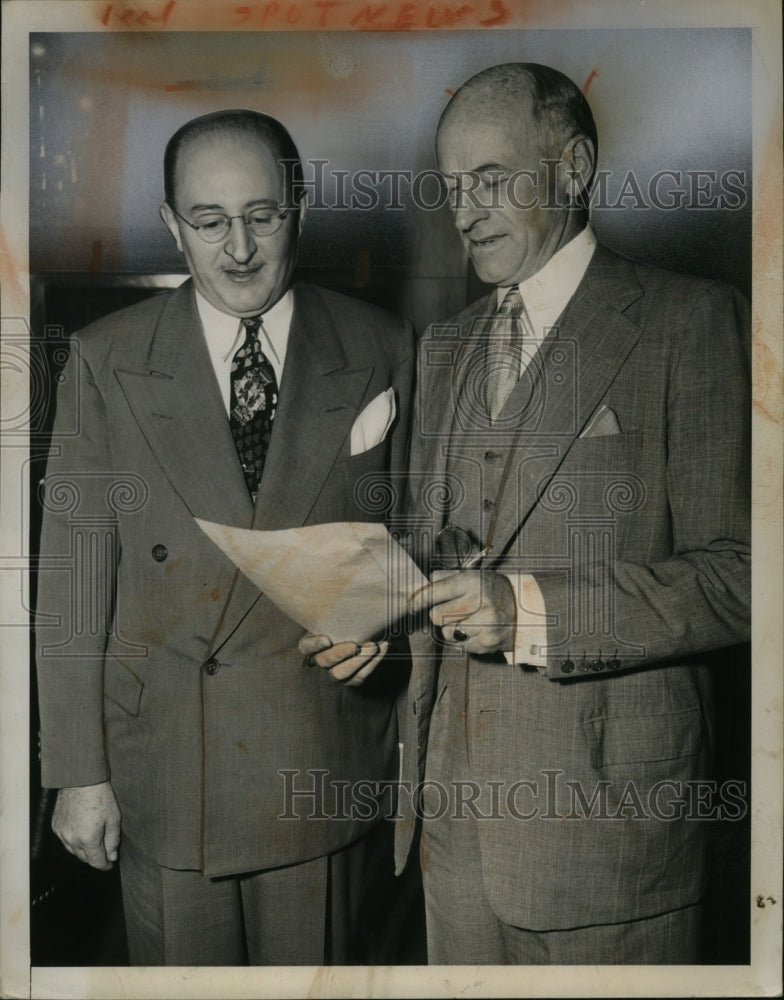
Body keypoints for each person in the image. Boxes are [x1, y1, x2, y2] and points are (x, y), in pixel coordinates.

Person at [305, 63, 751, 964]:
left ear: (575, 167)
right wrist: (379, 626)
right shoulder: (446, 346)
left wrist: (532, 610)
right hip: (451, 832)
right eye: (453, 185)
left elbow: (745, 575)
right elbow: (445, 556)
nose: (465, 209)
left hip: (613, 842)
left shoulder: (690, 321)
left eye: (493, 178)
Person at [35, 109, 415, 966]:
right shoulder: (104, 358)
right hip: (168, 768)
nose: (237, 248)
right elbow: (72, 582)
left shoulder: (383, 343)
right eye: (207, 223)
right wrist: (77, 773)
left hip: (318, 754)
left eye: (262, 216)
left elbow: (420, 534)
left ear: (301, 209)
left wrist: (392, 622)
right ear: (172, 224)